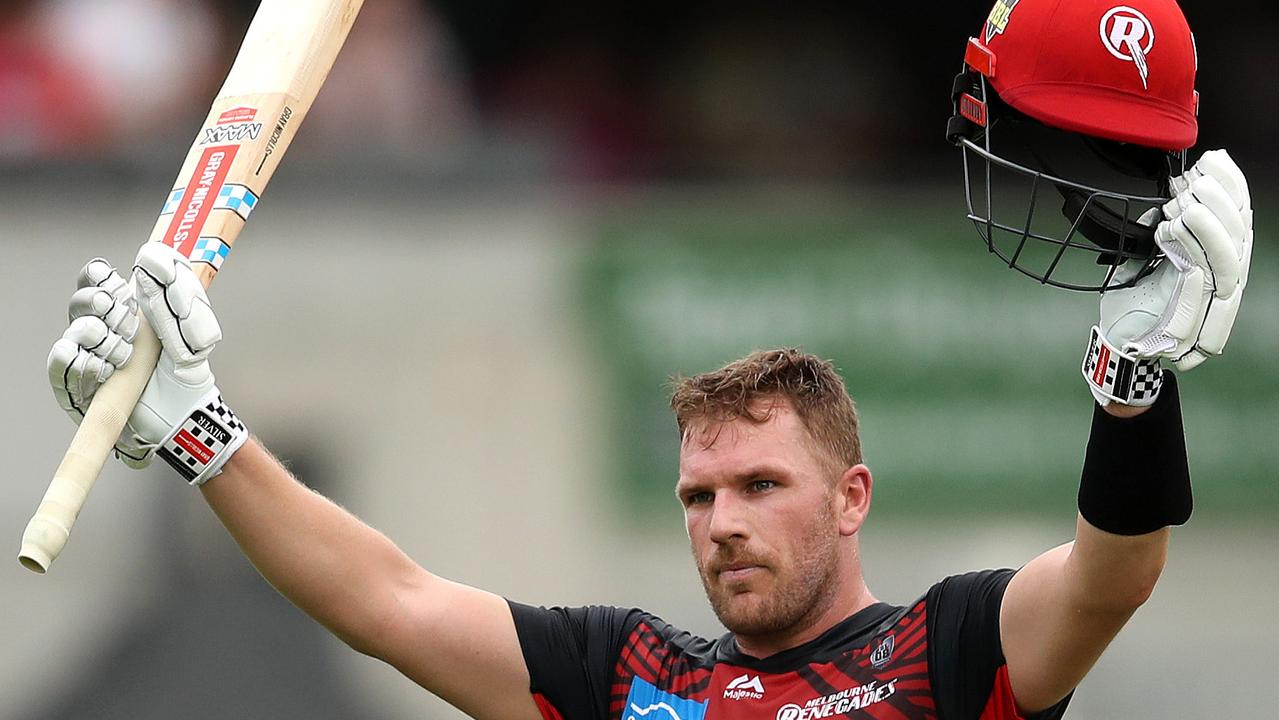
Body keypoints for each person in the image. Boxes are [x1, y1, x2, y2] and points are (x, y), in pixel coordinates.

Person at [45, 1, 1253, 718]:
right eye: (700, 495)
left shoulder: (945, 654)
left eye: (760, 487)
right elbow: (388, 602)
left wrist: (1136, 391)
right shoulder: (622, 674)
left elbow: (1112, 579)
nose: (721, 521)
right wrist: (202, 436)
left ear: (851, 498)